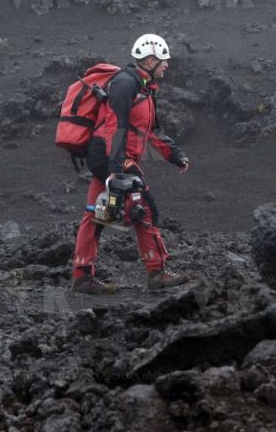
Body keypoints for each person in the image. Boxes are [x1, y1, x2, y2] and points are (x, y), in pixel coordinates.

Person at [70, 34, 191, 294]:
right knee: (144, 209)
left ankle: (81, 277)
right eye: (163, 60)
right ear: (149, 60)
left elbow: (152, 131)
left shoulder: (144, 88)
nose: (167, 64)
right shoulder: (126, 84)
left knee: (96, 213)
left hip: (110, 156)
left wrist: (175, 155)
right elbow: (116, 127)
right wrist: (116, 171)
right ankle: (157, 272)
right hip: (111, 156)